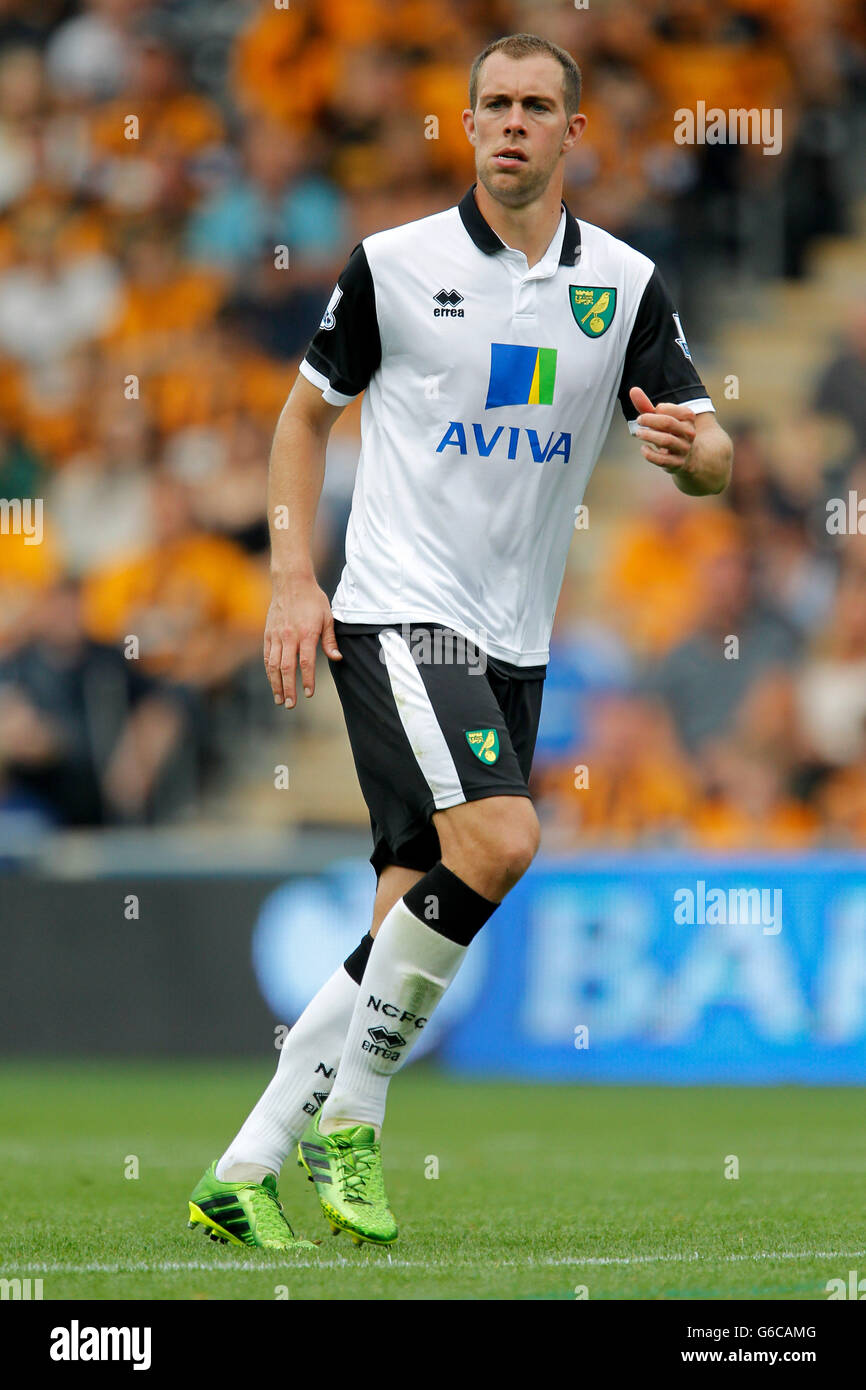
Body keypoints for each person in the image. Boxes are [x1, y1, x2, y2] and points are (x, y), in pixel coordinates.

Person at [187, 31, 732, 1252]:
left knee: (403, 917)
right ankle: (358, 1116)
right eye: (492, 104)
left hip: (513, 639)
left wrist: (703, 459)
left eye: (537, 105)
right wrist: (289, 578)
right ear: (467, 122)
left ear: (572, 133)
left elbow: (709, 447)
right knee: (502, 835)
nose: (511, 123)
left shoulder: (626, 285)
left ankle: (244, 1163)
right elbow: (298, 423)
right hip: (395, 611)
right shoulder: (392, 264)